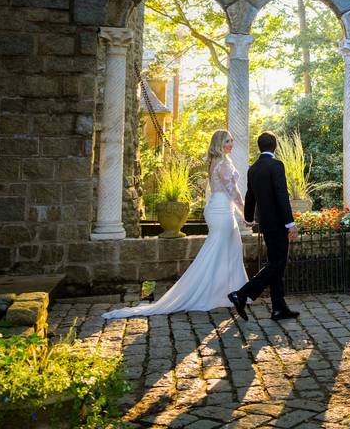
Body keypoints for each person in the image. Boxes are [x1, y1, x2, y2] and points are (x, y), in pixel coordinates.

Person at [102, 130, 248, 318]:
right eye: (227, 141)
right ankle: (213, 292)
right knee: (218, 251)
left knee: (229, 249)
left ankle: (232, 291)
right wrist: (245, 213)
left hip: (218, 209)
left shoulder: (215, 162)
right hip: (221, 211)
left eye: (232, 141)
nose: (231, 144)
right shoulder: (223, 164)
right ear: (219, 143)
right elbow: (232, 191)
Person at [228, 131, 300, 322]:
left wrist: (249, 217)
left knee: (275, 264)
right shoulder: (276, 165)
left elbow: (250, 196)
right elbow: (281, 195)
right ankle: (241, 294)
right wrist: (290, 224)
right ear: (274, 146)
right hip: (278, 224)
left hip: (266, 225)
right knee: (277, 263)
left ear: (260, 147)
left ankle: (278, 308)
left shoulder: (253, 168)